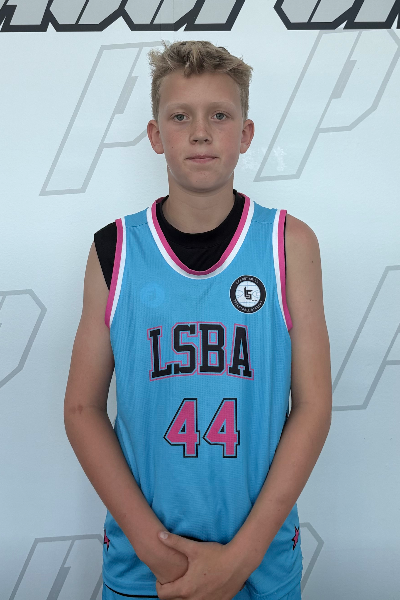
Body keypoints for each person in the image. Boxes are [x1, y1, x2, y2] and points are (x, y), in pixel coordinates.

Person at [64, 40, 332, 600]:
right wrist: (156, 551)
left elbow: (312, 407)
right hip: (145, 566)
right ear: (156, 134)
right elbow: (82, 409)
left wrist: (239, 560)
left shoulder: (289, 244)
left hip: (260, 562)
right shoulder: (114, 249)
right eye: (181, 116)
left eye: (220, 116)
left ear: (246, 134)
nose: (201, 132)